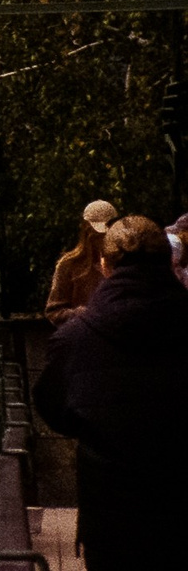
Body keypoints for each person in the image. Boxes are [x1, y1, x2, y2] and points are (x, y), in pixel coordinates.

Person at [36, 214, 188, 568]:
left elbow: (53, 406)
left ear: (105, 266)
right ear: (168, 261)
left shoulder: (75, 340)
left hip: (111, 506)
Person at [47, 199, 118, 324]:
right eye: (97, 236)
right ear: (87, 231)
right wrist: (83, 313)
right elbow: (54, 311)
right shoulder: (69, 265)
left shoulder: (124, 261)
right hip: (84, 335)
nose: (103, 240)